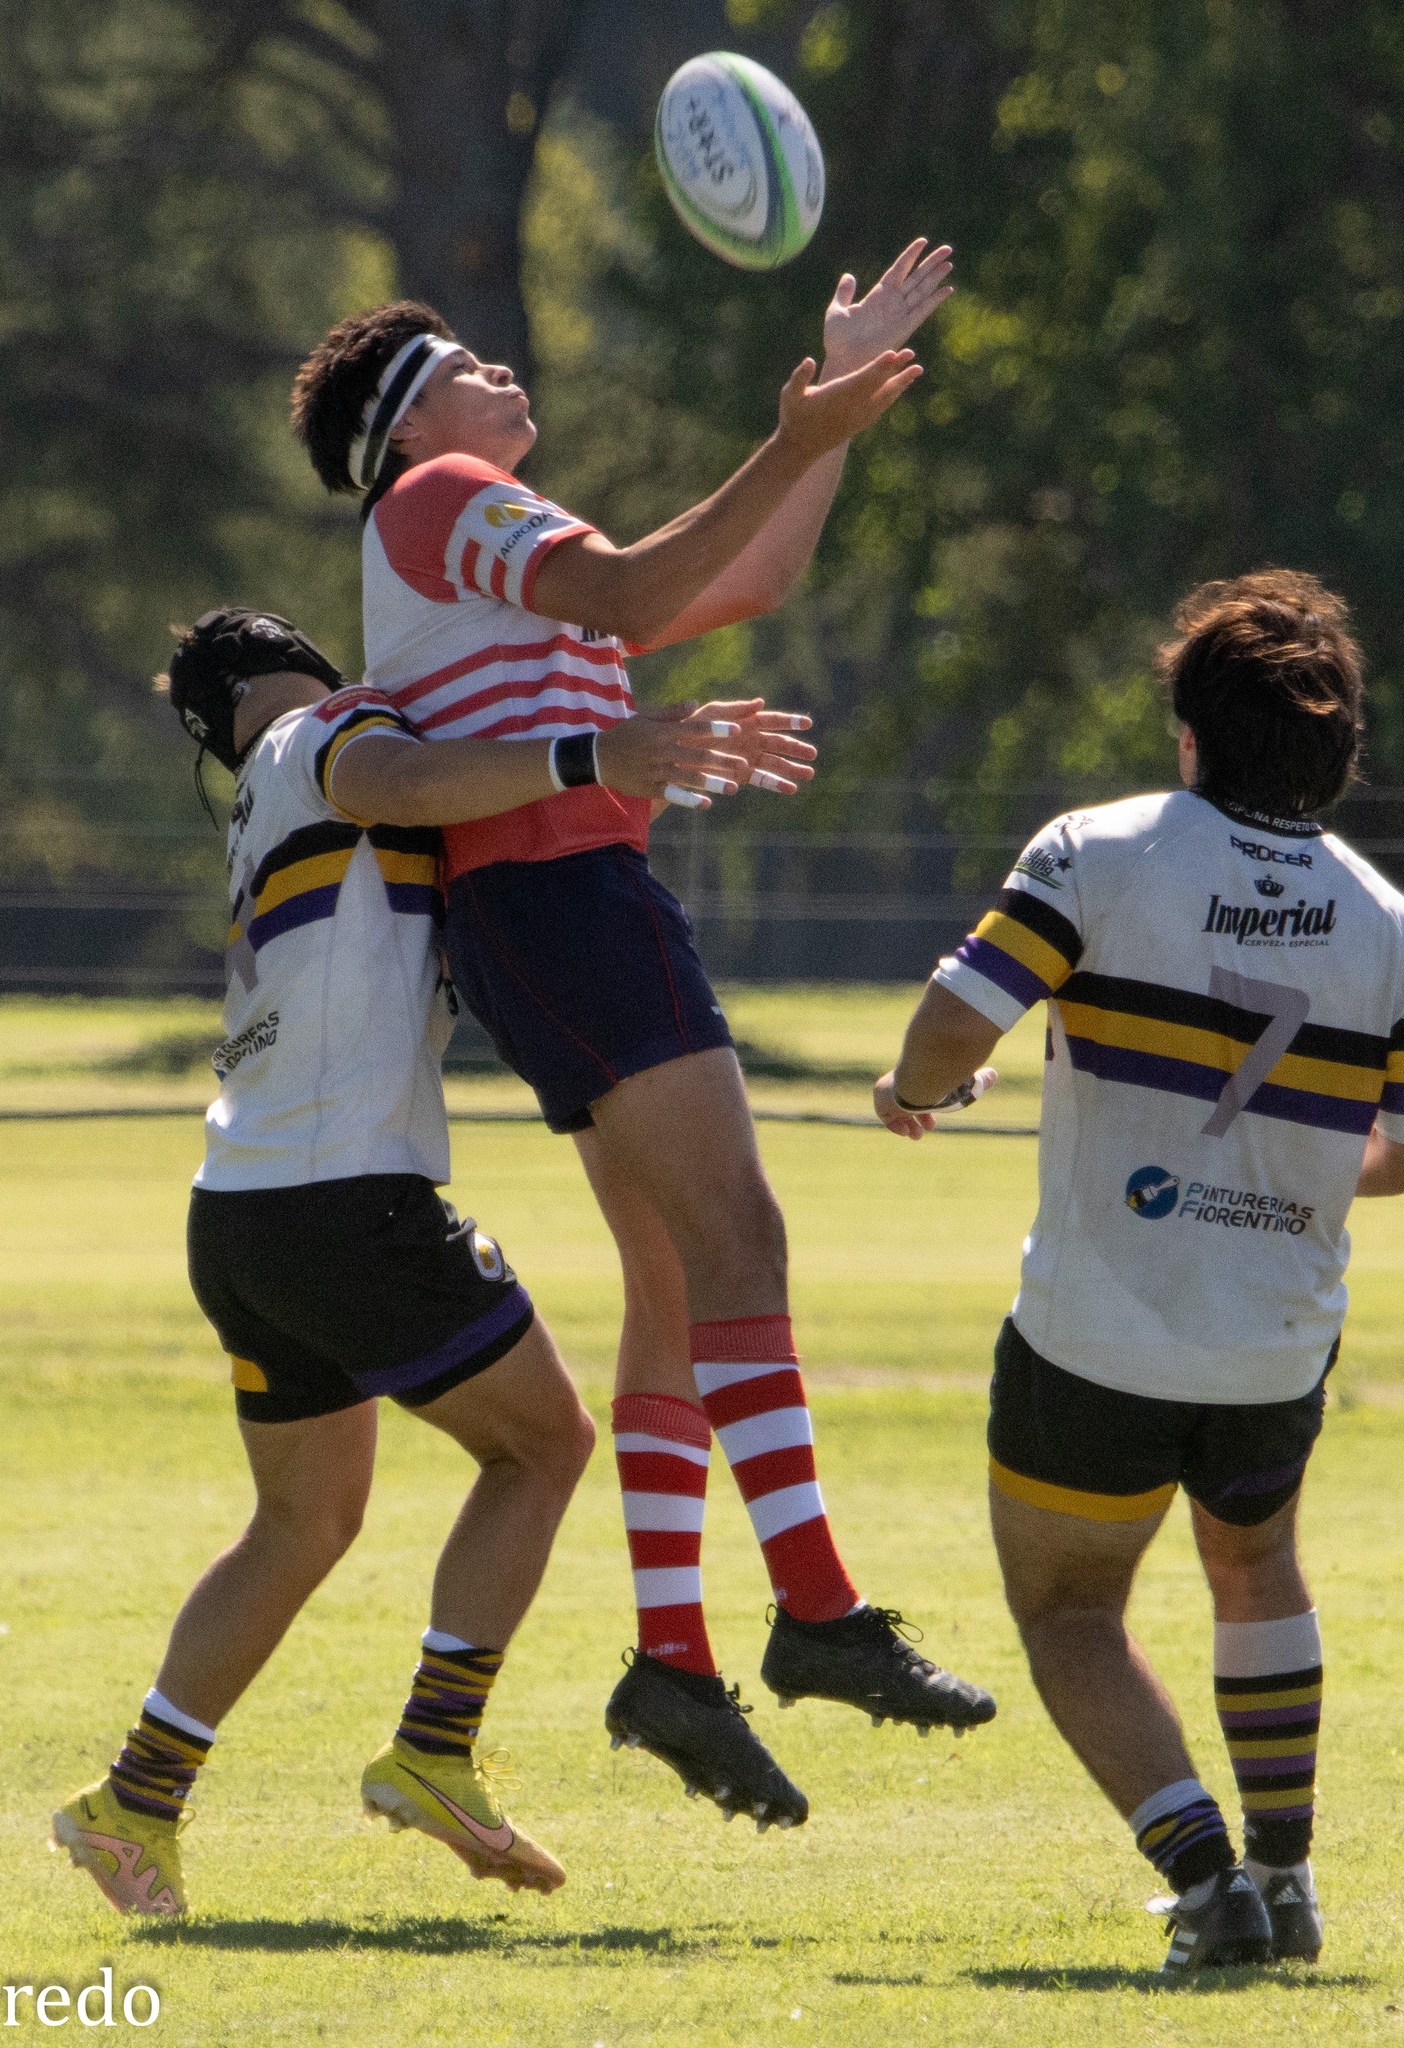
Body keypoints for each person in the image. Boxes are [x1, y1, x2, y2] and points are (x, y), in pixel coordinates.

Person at [289, 241, 996, 1833]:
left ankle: (673, 1664)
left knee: (679, 1274)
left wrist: (828, 430)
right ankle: (815, 1611)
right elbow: (627, 597)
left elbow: (724, 586)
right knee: (746, 1235)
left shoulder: (472, 515)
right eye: (469, 363)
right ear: (411, 424)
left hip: (552, 908)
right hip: (561, 904)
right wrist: (795, 440)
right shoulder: (431, 500)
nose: (502, 371)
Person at [52, 608, 756, 1913]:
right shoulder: (334, 728)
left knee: (303, 1520)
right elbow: (411, 783)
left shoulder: (253, 795)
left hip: (241, 1207)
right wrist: (596, 752)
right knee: (542, 1445)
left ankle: (133, 1800)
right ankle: (436, 1749)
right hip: (345, 1198)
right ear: (301, 665)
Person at [873, 570, 1404, 1974]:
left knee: (1068, 1612)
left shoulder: (1098, 850)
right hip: (1277, 1345)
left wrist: (914, 1087)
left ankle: (1203, 1873)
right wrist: (1274, 1182)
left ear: (1189, 734)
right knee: (1261, 1572)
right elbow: (1401, 1152)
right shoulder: (1388, 924)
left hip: (1092, 1340)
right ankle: (1286, 1884)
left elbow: (952, 1025)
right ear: (1341, 754)